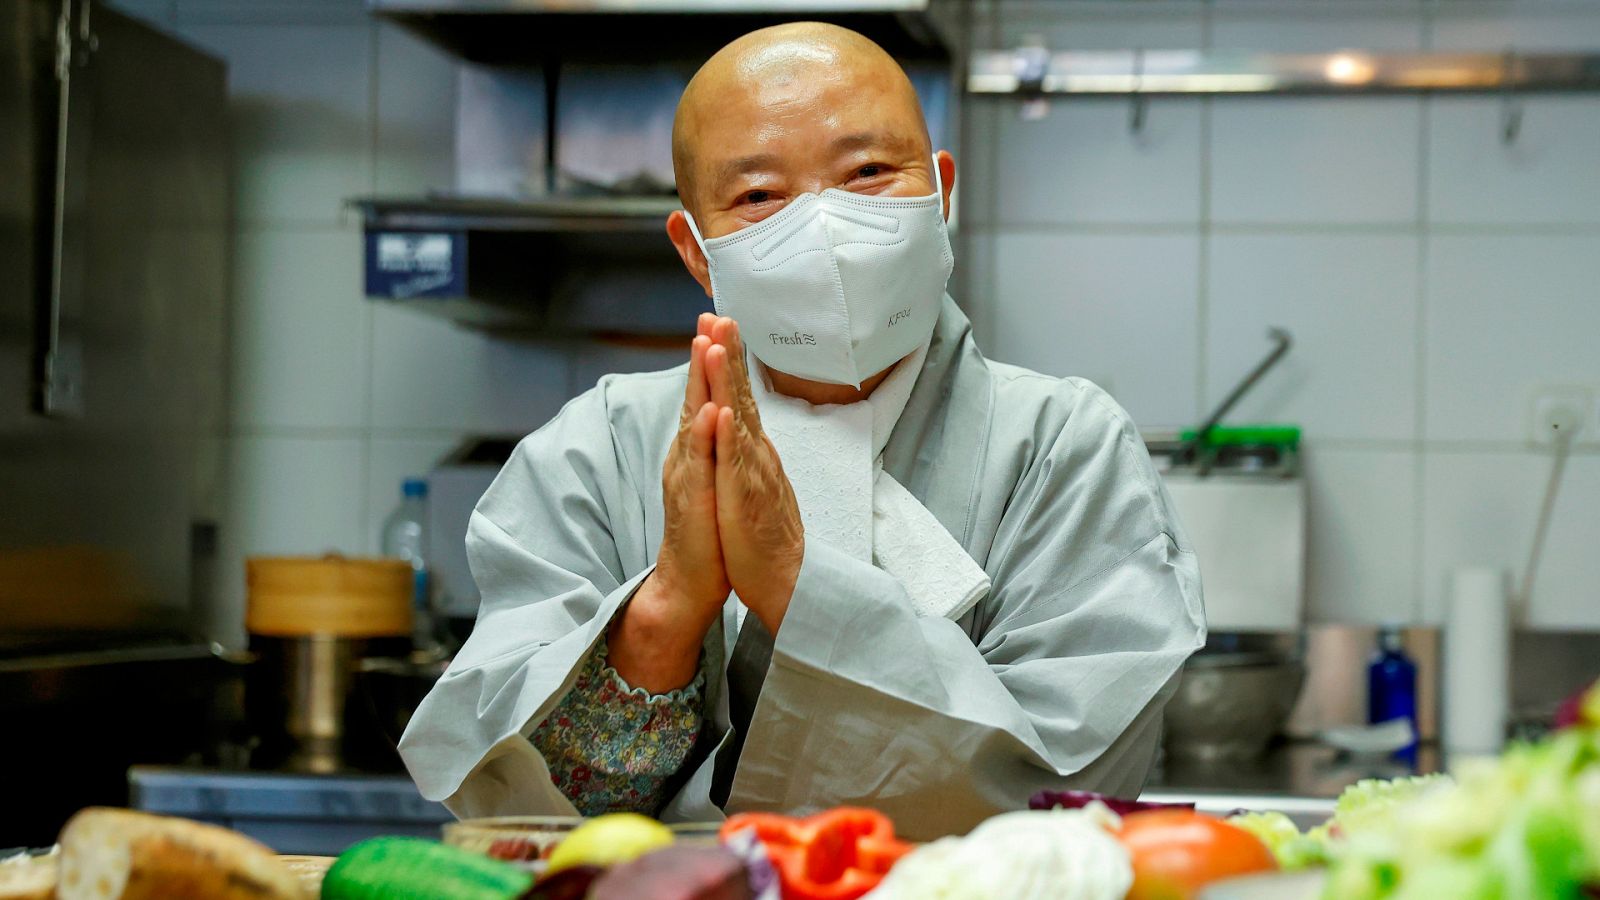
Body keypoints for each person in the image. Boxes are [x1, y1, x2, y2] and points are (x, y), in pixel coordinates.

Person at [399, 21, 1205, 840]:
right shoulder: (596, 450)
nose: (825, 227)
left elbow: (1066, 795)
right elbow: (517, 815)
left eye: (867, 172)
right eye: (758, 196)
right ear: (697, 250)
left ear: (940, 192)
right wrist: (669, 607)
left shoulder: (1065, 448)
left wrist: (791, 578)